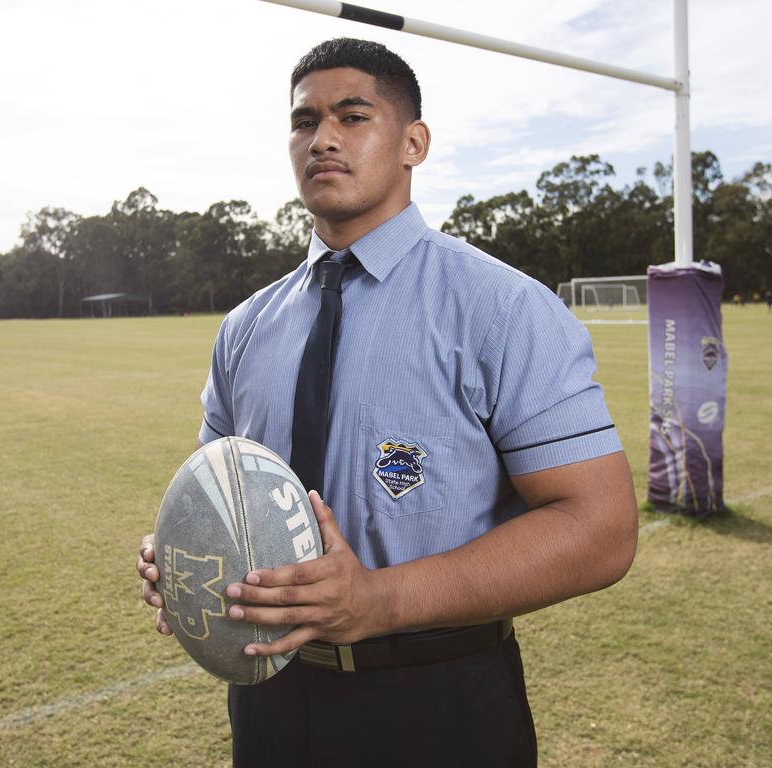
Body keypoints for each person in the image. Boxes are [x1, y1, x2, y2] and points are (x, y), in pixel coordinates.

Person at [137, 38, 638, 767]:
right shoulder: (246, 326)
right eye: (303, 121)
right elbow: (217, 488)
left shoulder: (501, 309)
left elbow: (602, 528)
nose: (323, 138)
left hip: (439, 704)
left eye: (352, 115)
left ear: (413, 143)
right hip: (267, 702)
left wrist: (379, 600)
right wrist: (182, 552)